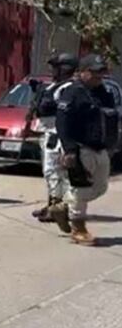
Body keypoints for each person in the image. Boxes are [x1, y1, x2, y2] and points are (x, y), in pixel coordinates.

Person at [51, 54, 119, 246]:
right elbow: (62, 123)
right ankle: (78, 228)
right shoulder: (73, 93)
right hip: (81, 148)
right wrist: (70, 150)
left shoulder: (104, 93)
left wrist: (111, 145)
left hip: (101, 148)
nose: (99, 76)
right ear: (82, 72)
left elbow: (111, 119)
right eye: (95, 72)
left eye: (101, 72)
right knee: (81, 189)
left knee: (101, 187)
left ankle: (64, 206)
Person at [26, 53, 78, 220]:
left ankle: (59, 208)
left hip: (56, 134)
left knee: (54, 171)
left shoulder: (67, 88)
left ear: (65, 69)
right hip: (47, 132)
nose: (52, 70)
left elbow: (62, 111)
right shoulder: (55, 86)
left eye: (55, 67)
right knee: (51, 171)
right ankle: (53, 205)